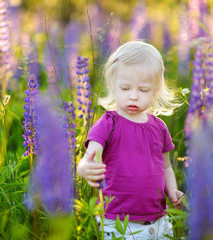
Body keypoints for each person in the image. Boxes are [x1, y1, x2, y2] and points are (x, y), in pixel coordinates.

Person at [77, 41, 184, 239]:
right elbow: (91, 155)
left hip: (158, 221)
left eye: (143, 90)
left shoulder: (159, 127)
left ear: (155, 90)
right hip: (118, 223)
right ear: (113, 86)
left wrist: (172, 190)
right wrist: (84, 168)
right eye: (125, 88)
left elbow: (167, 167)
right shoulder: (108, 123)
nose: (133, 96)